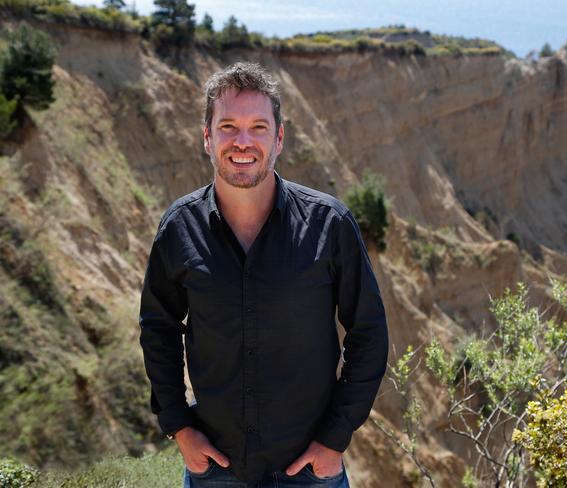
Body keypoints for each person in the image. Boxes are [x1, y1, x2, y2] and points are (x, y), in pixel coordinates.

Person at [139, 62, 389, 487]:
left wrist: (335, 439)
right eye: (228, 127)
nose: (242, 142)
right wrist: (178, 426)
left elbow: (369, 332)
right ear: (206, 136)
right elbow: (158, 328)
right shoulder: (179, 227)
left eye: (258, 127)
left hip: (309, 472)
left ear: (279, 137)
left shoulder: (329, 224)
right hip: (215, 471)